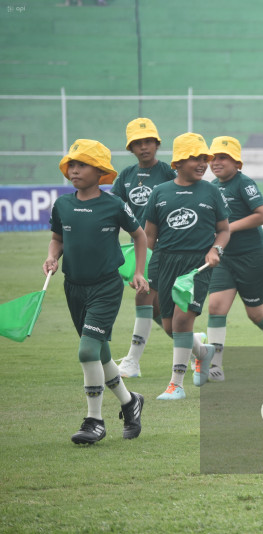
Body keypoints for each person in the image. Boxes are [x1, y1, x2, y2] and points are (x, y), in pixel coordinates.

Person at [44, 139, 147, 444]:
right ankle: (131, 402)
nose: (74, 170)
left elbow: (139, 237)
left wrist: (138, 271)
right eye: (71, 165)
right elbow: (57, 240)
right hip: (73, 287)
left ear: (100, 170)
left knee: (87, 350)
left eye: (82, 164)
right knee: (100, 352)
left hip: (106, 287)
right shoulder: (62, 204)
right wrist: (52, 257)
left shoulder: (114, 204)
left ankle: (94, 421)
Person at [142, 133, 229, 400]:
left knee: (182, 322)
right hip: (163, 263)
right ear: (178, 162)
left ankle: (175, 385)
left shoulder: (212, 191)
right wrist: (143, 267)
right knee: (170, 327)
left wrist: (216, 249)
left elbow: (223, 230)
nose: (203, 163)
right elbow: (149, 237)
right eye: (196, 158)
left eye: (205, 158)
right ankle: (203, 353)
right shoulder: (160, 193)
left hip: (197, 267)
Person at [204, 136, 263, 384]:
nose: (216, 162)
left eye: (223, 157)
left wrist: (229, 228)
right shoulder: (213, 187)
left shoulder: (244, 183)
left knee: (255, 314)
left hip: (252, 258)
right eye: (213, 158)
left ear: (237, 162)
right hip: (224, 258)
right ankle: (215, 366)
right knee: (215, 307)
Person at [113, 118, 176, 378]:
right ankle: (199, 349)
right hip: (138, 249)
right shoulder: (125, 176)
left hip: (163, 249)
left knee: (143, 297)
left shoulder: (169, 173)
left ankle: (132, 362)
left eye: (148, 141)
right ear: (130, 148)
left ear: (157, 143)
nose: (144, 147)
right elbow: (112, 211)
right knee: (162, 313)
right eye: (137, 143)